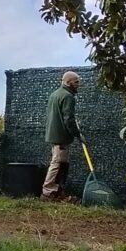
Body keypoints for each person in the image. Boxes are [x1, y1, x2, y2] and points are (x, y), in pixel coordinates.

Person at [41, 70, 84, 201]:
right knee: (57, 163)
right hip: (61, 136)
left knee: (61, 163)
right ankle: (48, 192)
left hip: (54, 134)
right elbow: (68, 119)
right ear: (69, 82)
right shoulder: (68, 97)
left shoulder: (55, 94)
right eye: (76, 82)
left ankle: (57, 191)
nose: (78, 84)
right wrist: (78, 134)